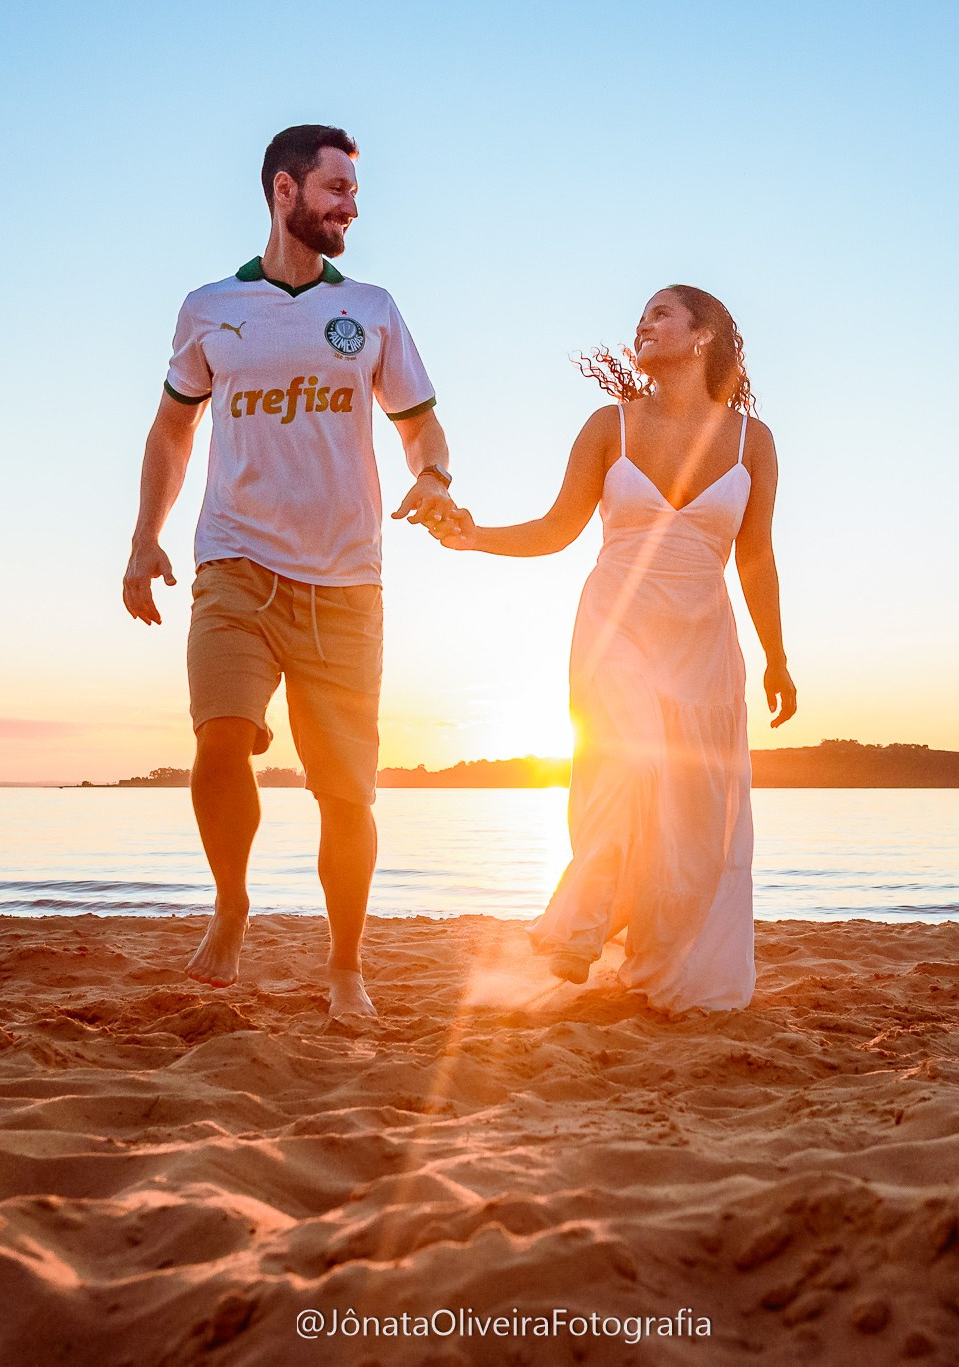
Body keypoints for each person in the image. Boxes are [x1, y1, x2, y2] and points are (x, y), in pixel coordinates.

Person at [122, 125, 456, 1018]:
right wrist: (145, 536)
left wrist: (433, 475)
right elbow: (173, 429)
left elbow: (420, 423)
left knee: (346, 792)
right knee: (219, 738)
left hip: (346, 581)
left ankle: (345, 966)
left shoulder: (373, 310)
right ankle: (232, 903)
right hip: (236, 562)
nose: (351, 207)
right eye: (337, 189)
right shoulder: (210, 307)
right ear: (285, 190)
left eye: (354, 193)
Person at [430, 287, 794, 1013]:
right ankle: (580, 925)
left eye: (661, 313)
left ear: (703, 336)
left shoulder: (753, 441)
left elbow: (756, 557)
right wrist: (474, 537)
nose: (643, 323)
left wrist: (776, 658)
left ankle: (656, 964)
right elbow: (557, 528)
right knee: (628, 759)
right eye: (642, 316)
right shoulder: (610, 426)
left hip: (703, 640)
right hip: (616, 624)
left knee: (692, 820)